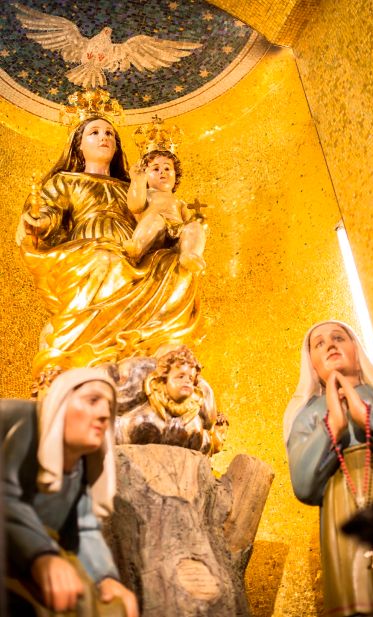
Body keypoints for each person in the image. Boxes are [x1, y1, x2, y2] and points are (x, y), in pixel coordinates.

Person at [16, 116, 202, 390]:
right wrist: (38, 220)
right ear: (78, 145)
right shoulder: (66, 180)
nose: (104, 137)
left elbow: (154, 216)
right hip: (88, 247)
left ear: (117, 146)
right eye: (94, 132)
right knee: (105, 259)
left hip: (132, 250)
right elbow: (48, 213)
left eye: (109, 134)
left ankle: (154, 356)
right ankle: (86, 356)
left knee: (175, 269)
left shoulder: (132, 187)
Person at [284, 320, 373, 617]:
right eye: (319, 343)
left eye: (339, 337)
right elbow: (302, 484)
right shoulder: (307, 416)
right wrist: (333, 425)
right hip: (343, 511)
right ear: (312, 365)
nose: (330, 344)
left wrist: (369, 416)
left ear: (356, 349)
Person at [1, 367, 138, 616]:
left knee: (110, 608)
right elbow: (6, 496)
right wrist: (42, 555)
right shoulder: (28, 423)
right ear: (60, 403)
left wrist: (105, 577)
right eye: (93, 400)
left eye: (109, 406)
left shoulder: (81, 463)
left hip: (36, 552)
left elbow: (83, 526)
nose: (104, 414)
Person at [110, 346, 226, 454]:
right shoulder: (136, 380)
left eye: (190, 378)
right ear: (163, 379)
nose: (186, 381)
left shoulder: (199, 410)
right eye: (180, 376)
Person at [123, 149, 206, 273]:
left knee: (195, 226)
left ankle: (190, 255)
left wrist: (195, 227)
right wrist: (137, 180)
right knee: (155, 219)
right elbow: (135, 206)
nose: (162, 172)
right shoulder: (145, 194)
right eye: (155, 169)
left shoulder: (179, 203)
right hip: (155, 233)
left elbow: (188, 222)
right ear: (145, 174)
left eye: (167, 168)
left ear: (176, 175)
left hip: (176, 234)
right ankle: (138, 246)